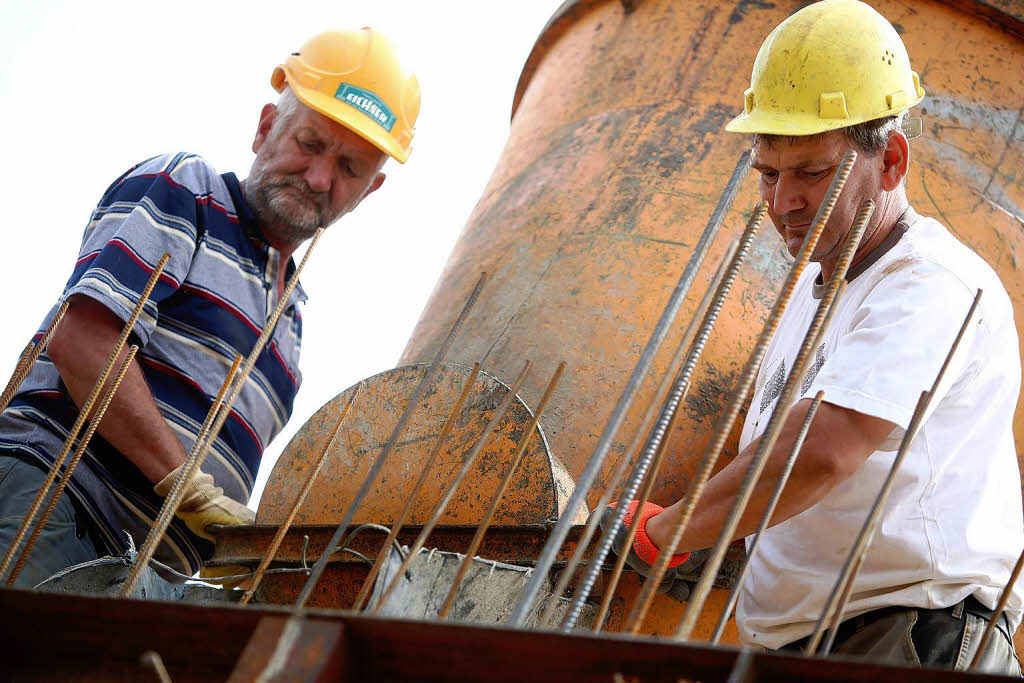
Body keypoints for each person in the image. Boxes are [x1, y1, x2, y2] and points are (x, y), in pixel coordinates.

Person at [608, 0, 1022, 672]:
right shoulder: (813, 292)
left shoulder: (934, 284)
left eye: (813, 172)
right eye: (768, 173)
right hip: (808, 643)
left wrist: (670, 528)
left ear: (889, 160)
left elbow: (821, 451)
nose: (782, 203)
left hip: (909, 641)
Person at [0, 28, 420, 588]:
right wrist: (185, 485)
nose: (319, 178)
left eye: (349, 169)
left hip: (149, 575)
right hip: (57, 504)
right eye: (310, 144)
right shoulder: (188, 193)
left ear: (370, 191)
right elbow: (82, 340)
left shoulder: (289, 326)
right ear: (266, 127)